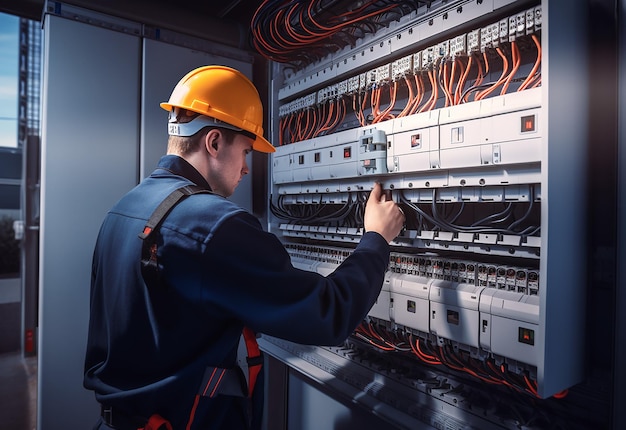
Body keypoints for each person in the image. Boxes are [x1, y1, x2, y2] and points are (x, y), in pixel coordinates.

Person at [84, 65, 405, 430]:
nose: (247, 169)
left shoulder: (123, 210)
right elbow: (328, 313)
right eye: (247, 151)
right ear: (215, 142)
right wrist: (376, 239)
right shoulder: (212, 224)